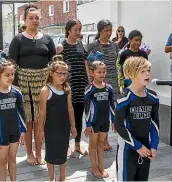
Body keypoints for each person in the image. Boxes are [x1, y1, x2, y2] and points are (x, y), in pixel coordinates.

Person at [8, 3, 56, 165]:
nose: (34, 21)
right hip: (24, 83)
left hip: (43, 83)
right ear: (24, 20)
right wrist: (14, 88)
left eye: (37, 18)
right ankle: (29, 153)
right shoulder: (18, 39)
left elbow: (54, 61)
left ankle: (39, 153)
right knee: (28, 120)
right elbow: (12, 64)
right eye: (31, 18)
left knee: (41, 120)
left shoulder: (47, 39)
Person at [115, 57, 159, 181]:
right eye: (142, 71)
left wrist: (154, 145)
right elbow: (119, 126)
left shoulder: (153, 97)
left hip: (146, 148)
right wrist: (138, 146)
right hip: (128, 148)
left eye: (148, 70)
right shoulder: (124, 97)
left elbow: (155, 124)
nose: (147, 74)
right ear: (131, 74)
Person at [0, 56, 26, 181]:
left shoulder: (17, 92)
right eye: (7, 75)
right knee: (2, 160)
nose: (11, 77)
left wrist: (23, 130)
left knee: (12, 158)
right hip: (1, 133)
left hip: (15, 131)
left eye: (12, 74)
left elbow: (22, 112)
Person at [37, 55, 77, 181]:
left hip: (64, 127)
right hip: (50, 128)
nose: (62, 76)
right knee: (51, 153)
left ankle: (62, 176)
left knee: (63, 151)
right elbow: (42, 112)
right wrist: (40, 130)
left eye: (65, 74)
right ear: (51, 73)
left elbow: (70, 109)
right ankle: (51, 178)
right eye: (59, 73)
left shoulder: (67, 89)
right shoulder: (46, 90)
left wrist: (73, 126)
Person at [56, 19, 89, 157]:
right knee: (66, 117)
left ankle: (77, 144)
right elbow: (57, 68)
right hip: (68, 86)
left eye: (80, 30)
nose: (78, 33)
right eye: (76, 30)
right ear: (68, 30)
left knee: (78, 116)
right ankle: (65, 146)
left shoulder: (81, 45)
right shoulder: (61, 47)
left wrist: (89, 81)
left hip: (81, 85)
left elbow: (85, 63)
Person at [88, 19, 119, 151]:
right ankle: (101, 140)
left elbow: (117, 63)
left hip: (112, 80)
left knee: (111, 109)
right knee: (100, 109)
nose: (108, 33)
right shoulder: (93, 45)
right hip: (99, 81)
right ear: (100, 31)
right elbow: (89, 63)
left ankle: (105, 138)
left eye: (110, 30)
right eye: (106, 30)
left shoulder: (114, 45)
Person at [84, 51, 115, 178]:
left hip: (105, 121)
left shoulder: (109, 88)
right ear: (92, 73)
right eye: (99, 72)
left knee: (101, 144)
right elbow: (86, 107)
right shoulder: (90, 89)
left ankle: (101, 166)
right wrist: (88, 124)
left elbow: (112, 105)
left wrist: (114, 120)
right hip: (94, 122)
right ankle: (94, 166)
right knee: (93, 145)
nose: (102, 74)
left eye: (103, 72)